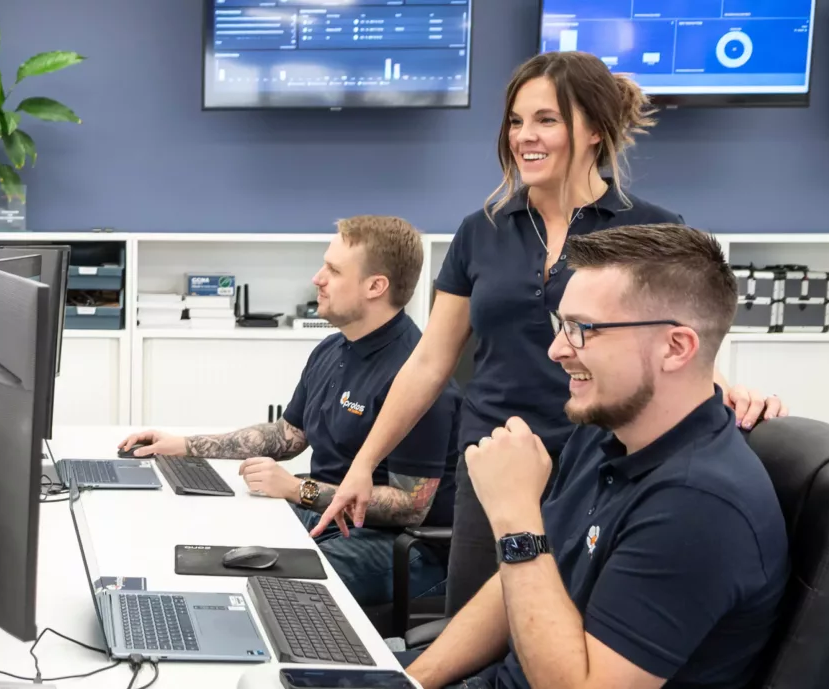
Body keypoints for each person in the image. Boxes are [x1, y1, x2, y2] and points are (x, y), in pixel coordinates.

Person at [311, 52, 788, 615]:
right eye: (516, 121)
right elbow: (429, 362)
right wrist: (365, 464)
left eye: (546, 120)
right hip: (492, 460)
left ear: (593, 131)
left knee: (570, 633)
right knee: (474, 632)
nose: (524, 136)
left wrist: (723, 385)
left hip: (599, 466)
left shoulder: (651, 229)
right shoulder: (481, 231)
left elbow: (671, 340)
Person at [399, 223, 790, 689]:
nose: (557, 349)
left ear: (676, 347)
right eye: (561, 325)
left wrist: (515, 517)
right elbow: (518, 587)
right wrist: (409, 682)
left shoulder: (699, 505)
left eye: (583, 329)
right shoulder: (602, 435)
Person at [119, 215, 461, 608]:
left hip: (399, 547)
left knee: (261, 587)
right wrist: (182, 444)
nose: (318, 278)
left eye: (333, 270)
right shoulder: (333, 350)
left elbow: (410, 508)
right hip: (325, 518)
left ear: (375, 286)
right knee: (204, 535)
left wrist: (299, 490)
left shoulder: (419, 378)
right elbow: (287, 435)